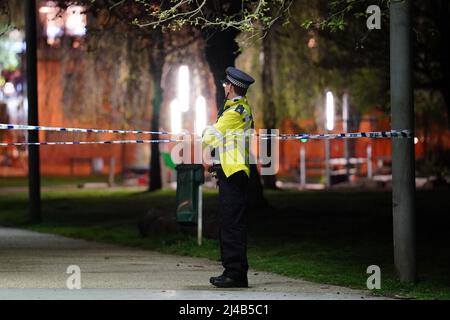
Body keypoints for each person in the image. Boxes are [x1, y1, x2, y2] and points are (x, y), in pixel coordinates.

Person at [202, 66, 255, 288]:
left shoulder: (234, 113)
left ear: (231, 87)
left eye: (226, 84)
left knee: (231, 223)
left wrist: (207, 131)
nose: (224, 86)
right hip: (233, 170)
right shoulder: (240, 108)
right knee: (232, 222)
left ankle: (234, 273)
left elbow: (210, 137)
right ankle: (235, 271)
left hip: (233, 173)